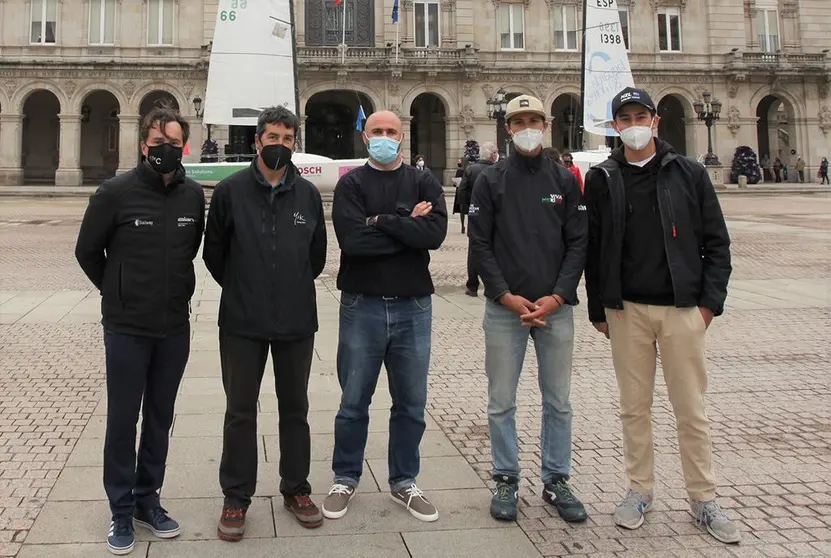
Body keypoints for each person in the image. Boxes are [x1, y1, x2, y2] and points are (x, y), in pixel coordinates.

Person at [583, 87, 739, 544]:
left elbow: (717, 243)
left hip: (682, 309)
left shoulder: (688, 172)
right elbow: (594, 248)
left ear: (655, 121)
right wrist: (598, 308)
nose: (634, 125)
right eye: (625, 118)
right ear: (615, 127)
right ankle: (639, 490)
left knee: (691, 409)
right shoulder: (603, 177)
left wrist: (708, 305)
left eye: (641, 116)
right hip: (627, 310)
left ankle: (703, 497)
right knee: (634, 408)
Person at [75, 106, 205, 555]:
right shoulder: (115, 192)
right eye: (158, 143)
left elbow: (191, 248)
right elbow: (87, 251)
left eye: (174, 143)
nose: (166, 150)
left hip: (174, 325)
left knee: (160, 416)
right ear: (144, 144)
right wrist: (117, 291)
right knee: (122, 417)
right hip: (127, 327)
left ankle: (149, 499)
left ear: (184, 145)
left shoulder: (192, 196)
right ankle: (121, 508)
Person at [203, 106, 327, 540]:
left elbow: (316, 258)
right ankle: (236, 497)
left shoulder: (307, 195)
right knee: (240, 411)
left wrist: (287, 286)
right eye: (272, 137)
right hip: (242, 320)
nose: (280, 145)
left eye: (287, 139)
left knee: (296, 409)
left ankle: (296, 489)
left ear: (295, 143)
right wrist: (245, 285)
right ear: (257, 140)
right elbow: (214, 254)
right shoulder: (230, 191)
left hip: (296, 320)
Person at [467, 95, 588, 523]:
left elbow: (579, 242)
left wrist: (559, 295)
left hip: (555, 308)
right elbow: (479, 242)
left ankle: (556, 479)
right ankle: (506, 477)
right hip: (506, 309)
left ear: (546, 124)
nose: (527, 128)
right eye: (519, 121)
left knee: (558, 401)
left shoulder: (565, 180)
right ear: (508, 128)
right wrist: (503, 294)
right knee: (501, 400)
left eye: (534, 120)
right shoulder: (490, 179)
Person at [323, 110, 448, 523]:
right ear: (364, 136)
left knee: (411, 402)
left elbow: (435, 235)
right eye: (376, 131)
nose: (384, 137)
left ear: (402, 135)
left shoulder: (423, 182)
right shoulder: (351, 184)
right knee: (353, 400)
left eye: (391, 131)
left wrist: (379, 222)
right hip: (363, 303)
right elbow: (353, 243)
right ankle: (345, 477)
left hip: (414, 304)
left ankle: (404, 480)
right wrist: (407, 226)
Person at [458, 141, 499, 296]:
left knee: (474, 251)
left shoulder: (471, 169)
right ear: (493, 155)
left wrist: (467, 208)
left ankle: (472, 286)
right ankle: (494, 285)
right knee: (496, 250)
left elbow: (461, 190)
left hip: (475, 215)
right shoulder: (498, 170)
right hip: (495, 216)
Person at [452, 158, 468, 234]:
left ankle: (462, 226)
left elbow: (456, 182)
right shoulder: (468, 170)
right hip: (466, 192)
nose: (458, 163)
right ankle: (467, 226)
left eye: (459, 161)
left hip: (461, 192)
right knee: (468, 210)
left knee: (462, 210)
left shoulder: (460, 171)